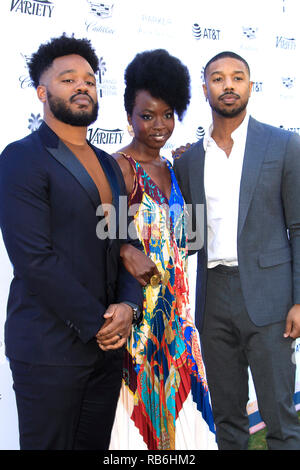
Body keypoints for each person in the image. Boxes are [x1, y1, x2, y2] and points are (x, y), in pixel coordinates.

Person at [0, 34, 143, 450]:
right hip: (49, 350)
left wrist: (128, 306)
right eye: (68, 79)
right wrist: (100, 322)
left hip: (106, 349)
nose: (83, 86)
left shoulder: (108, 164)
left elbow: (124, 242)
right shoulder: (21, 158)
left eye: (90, 80)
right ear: (42, 93)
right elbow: (34, 260)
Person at [173, 51, 300, 450]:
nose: (228, 85)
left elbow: (298, 227)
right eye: (218, 78)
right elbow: (188, 237)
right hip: (213, 301)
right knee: (227, 418)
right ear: (205, 87)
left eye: (237, 77)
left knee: (280, 419)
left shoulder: (284, 145)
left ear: (249, 85)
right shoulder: (189, 160)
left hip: (271, 300)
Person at [108, 49, 217, 450]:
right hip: (141, 317)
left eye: (168, 114)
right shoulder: (118, 168)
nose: (159, 126)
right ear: (129, 116)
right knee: (142, 423)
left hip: (179, 317)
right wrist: (124, 250)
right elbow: (106, 237)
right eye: (147, 115)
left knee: (183, 424)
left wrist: (196, 178)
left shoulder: (176, 167)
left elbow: (191, 242)